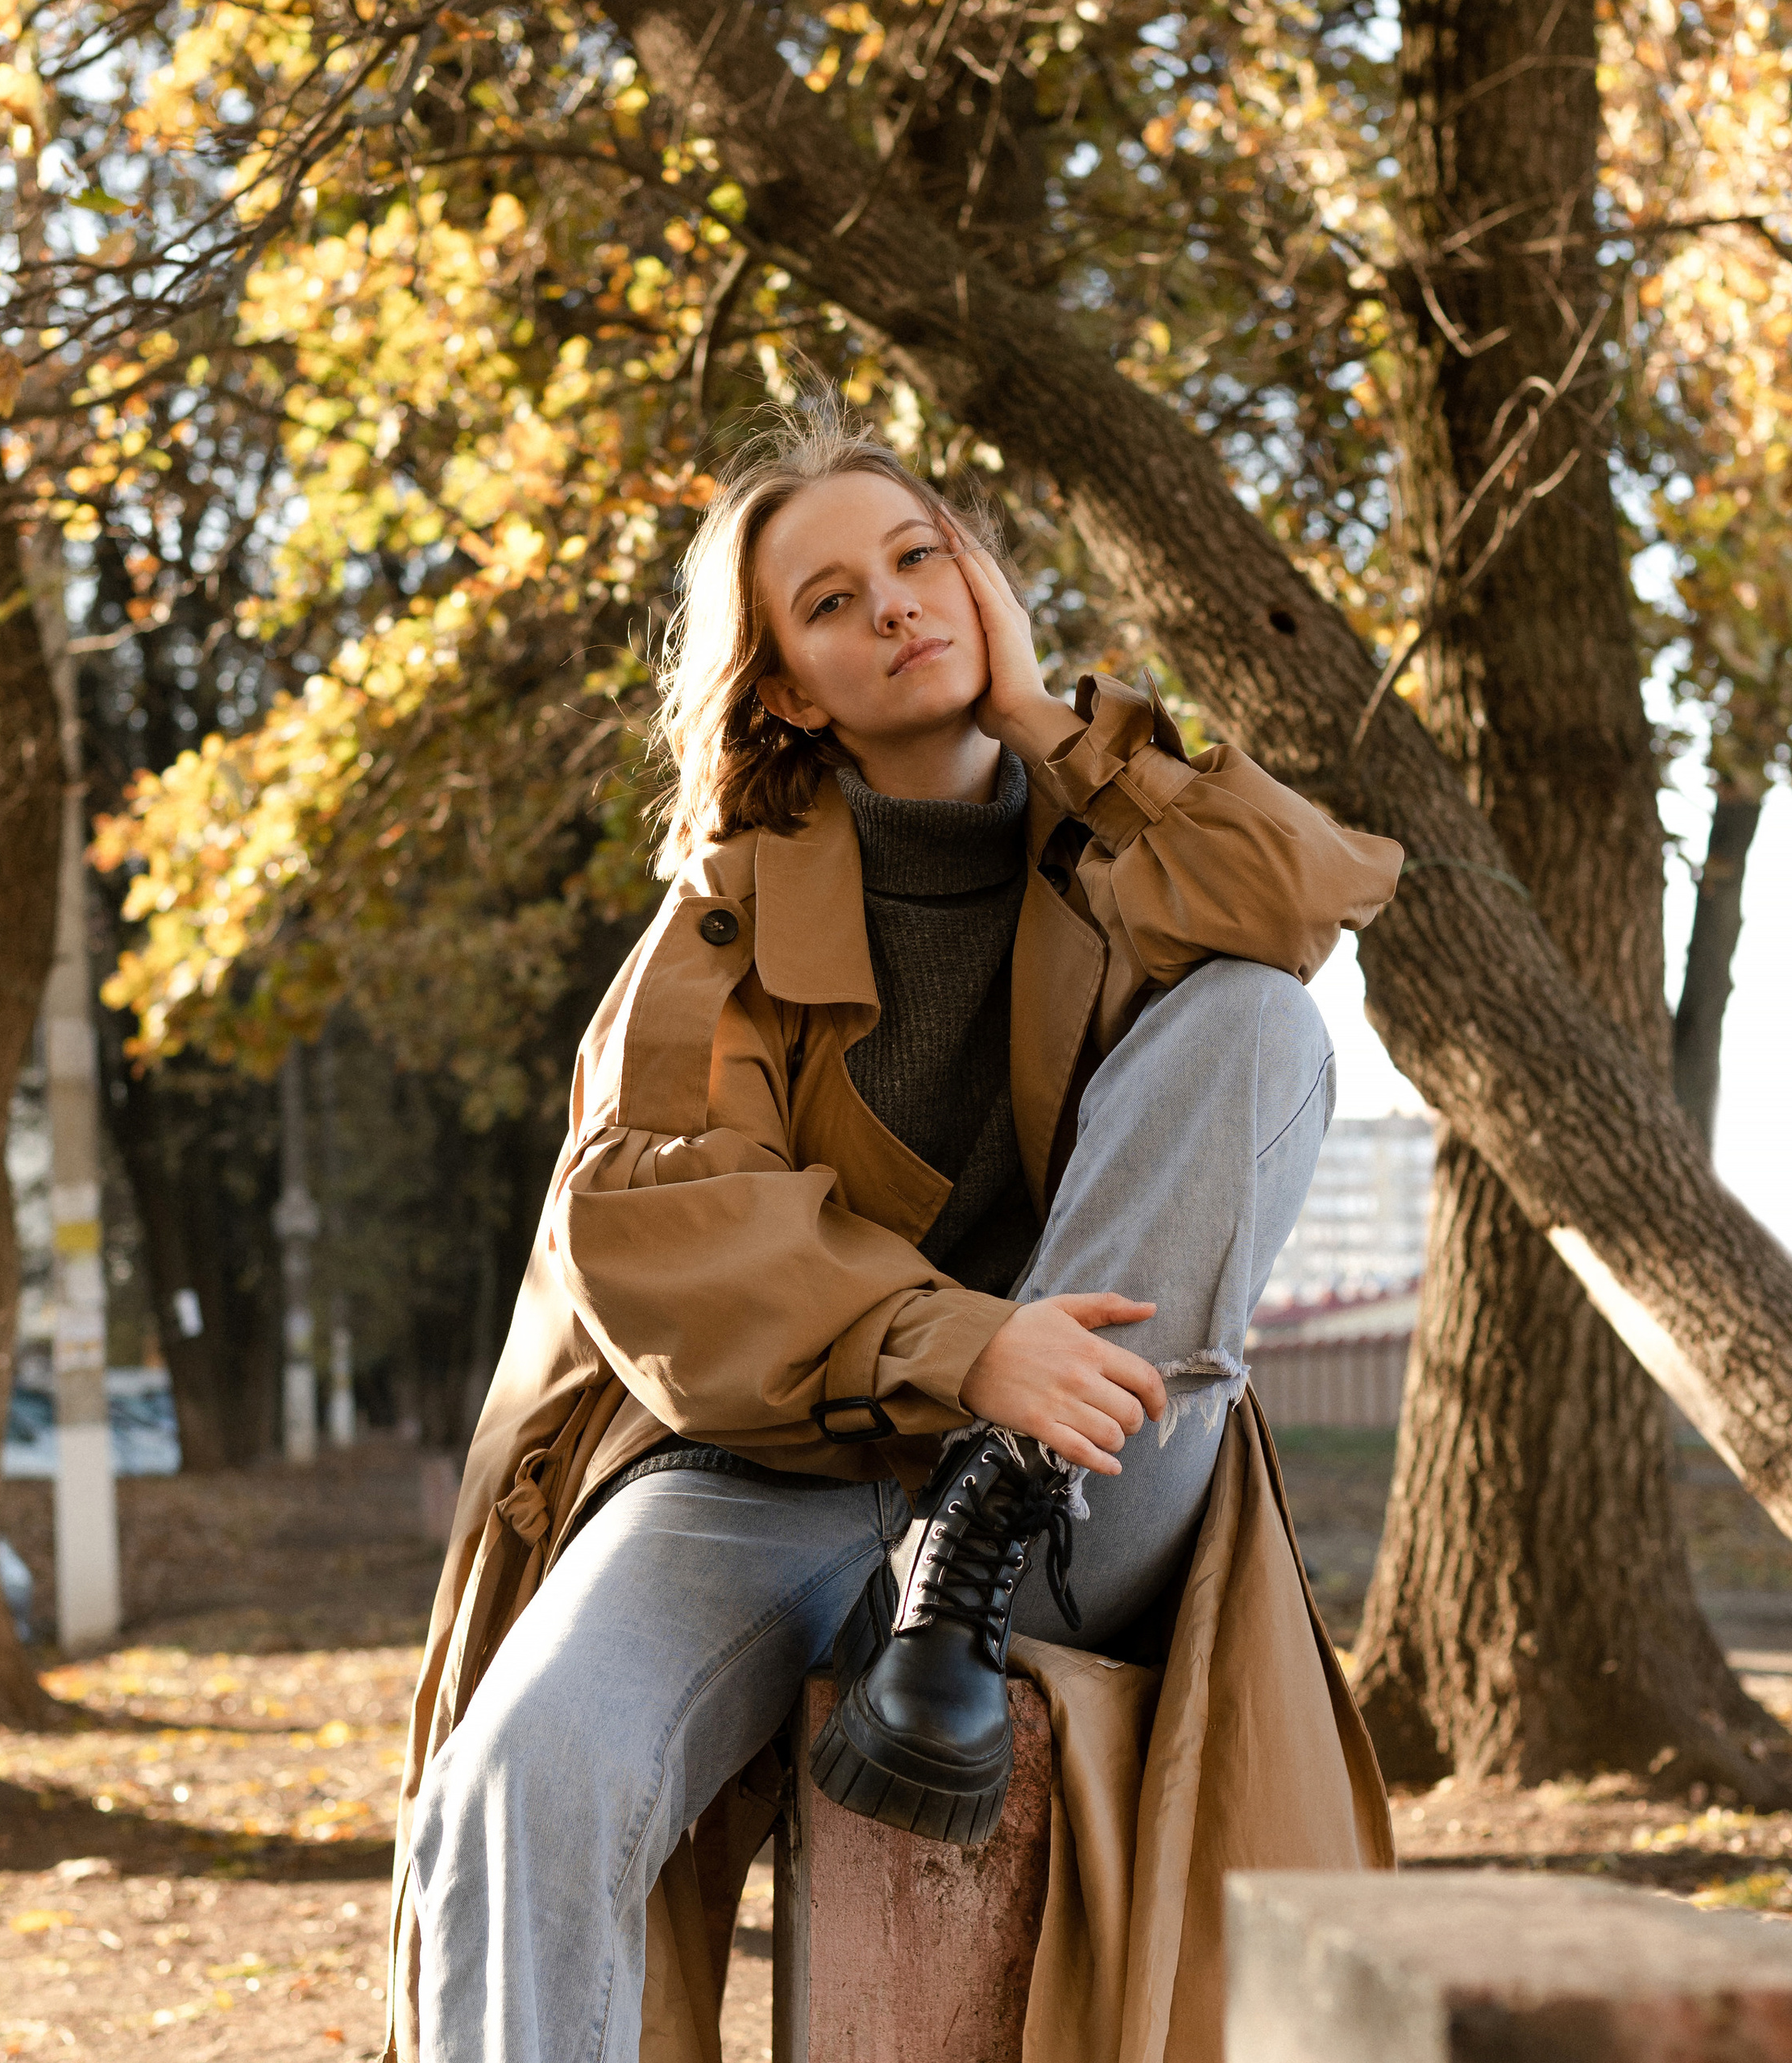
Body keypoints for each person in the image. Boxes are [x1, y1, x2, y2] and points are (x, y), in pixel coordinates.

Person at [387, 404, 1403, 2063]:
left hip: (1070, 1471)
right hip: (761, 1476)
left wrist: (1043, 720)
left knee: (1254, 1022)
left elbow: (1302, 904)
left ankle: (977, 1536)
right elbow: (648, 1211)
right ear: (785, 679)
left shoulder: (1115, 836)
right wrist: (960, 1340)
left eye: (918, 556)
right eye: (833, 600)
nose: (895, 608)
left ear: (980, 573)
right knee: (518, 1773)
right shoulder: (711, 911)